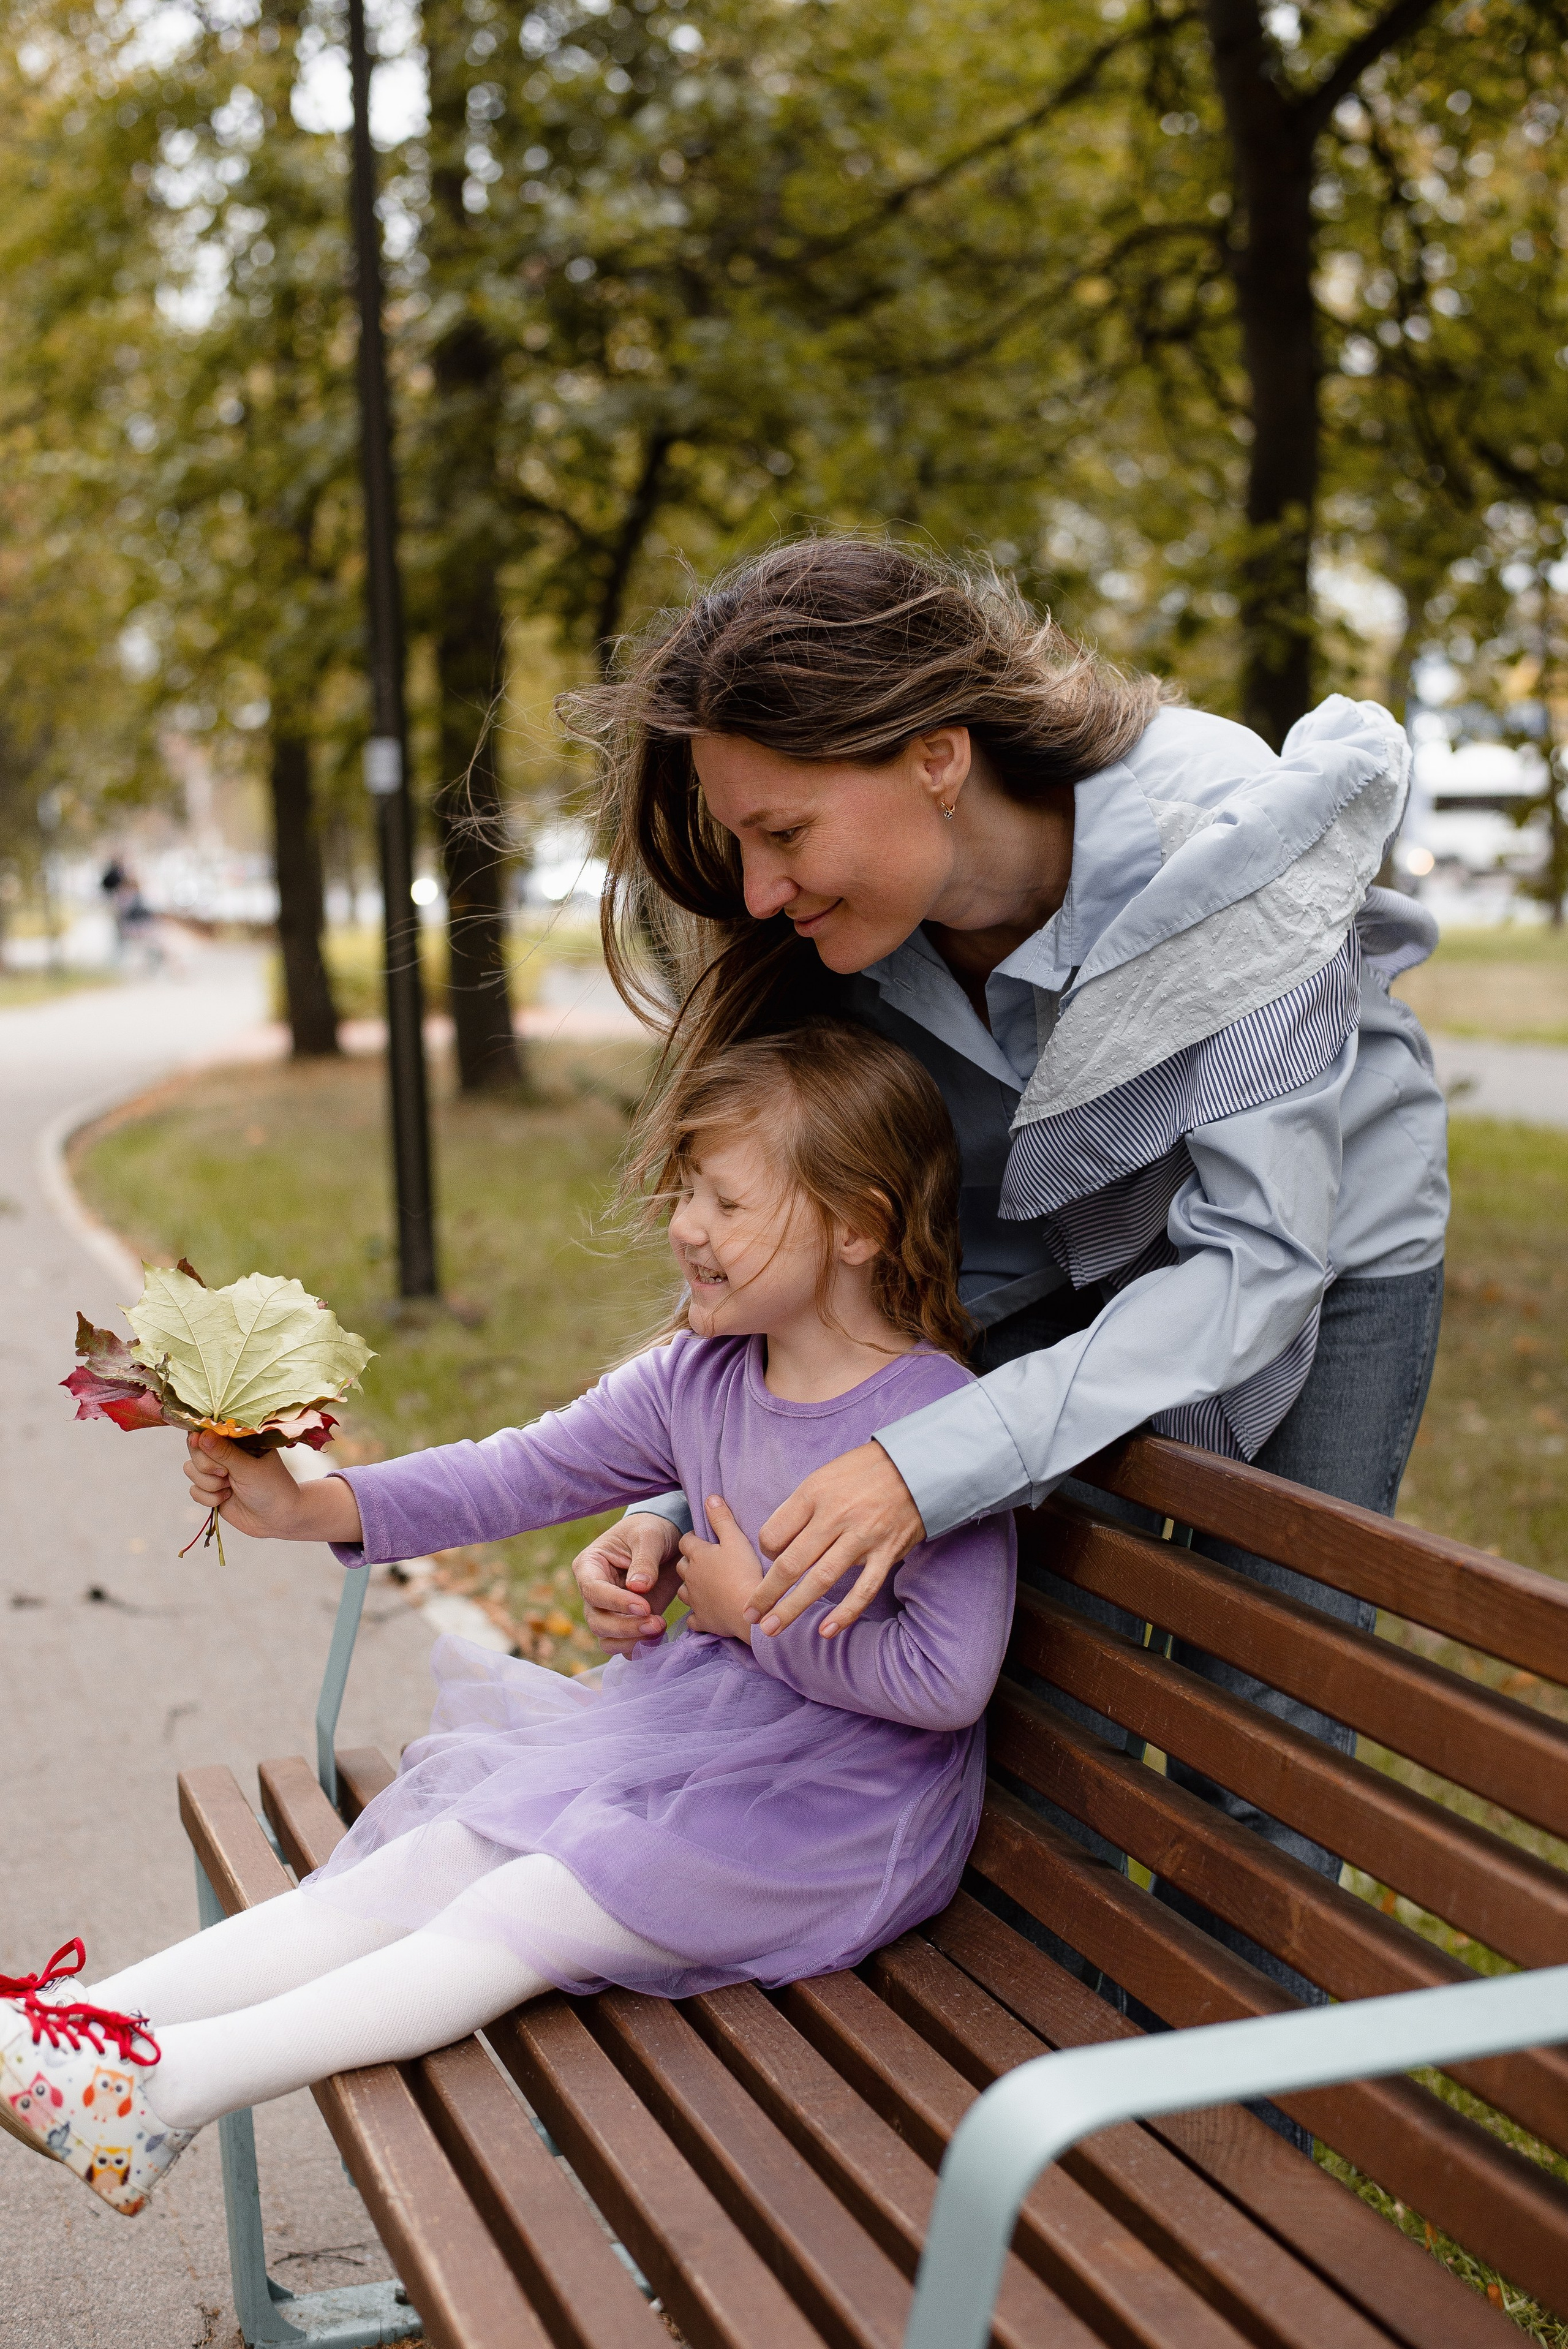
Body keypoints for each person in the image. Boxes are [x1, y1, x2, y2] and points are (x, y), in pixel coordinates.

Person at [567, 535, 1447, 2054]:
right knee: (1042, 1698)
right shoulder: (858, 941)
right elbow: (857, 1269)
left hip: (1313, 1257)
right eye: (741, 845)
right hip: (1051, 1268)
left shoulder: (1215, 839)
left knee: (1261, 1713)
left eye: (781, 833)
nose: (758, 890)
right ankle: (1067, 2115)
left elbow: (1250, 1270)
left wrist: (931, 1461)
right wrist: (691, 1482)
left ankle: (1259, 2164)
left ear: (932, 754)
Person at [0, 1025, 1014, 2217]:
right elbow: (515, 1472)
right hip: (700, 1755)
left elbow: (948, 1680)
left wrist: (756, 1620)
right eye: (687, 1188)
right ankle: (70, 2029)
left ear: (859, 1225)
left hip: (841, 1820)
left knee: (519, 1900)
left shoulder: (939, 1419)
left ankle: (155, 2095)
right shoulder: (699, 1371)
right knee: (440, 1848)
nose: (686, 1223)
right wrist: (305, 1504)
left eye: (727, 1199)